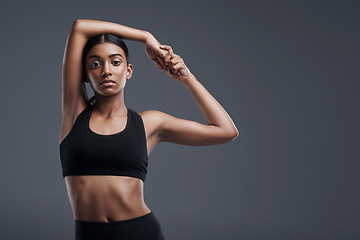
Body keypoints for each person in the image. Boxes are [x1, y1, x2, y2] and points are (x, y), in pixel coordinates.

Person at [59, 19, 239, 240]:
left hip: (140, 232)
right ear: (85, 75)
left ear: (128, 71)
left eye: (116, 62)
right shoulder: (73, 114)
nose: (106, 71)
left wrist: (187, 79)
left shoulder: (149, 124)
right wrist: (145, 37)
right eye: (95, 64)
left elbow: (226, 130)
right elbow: (79, 27)